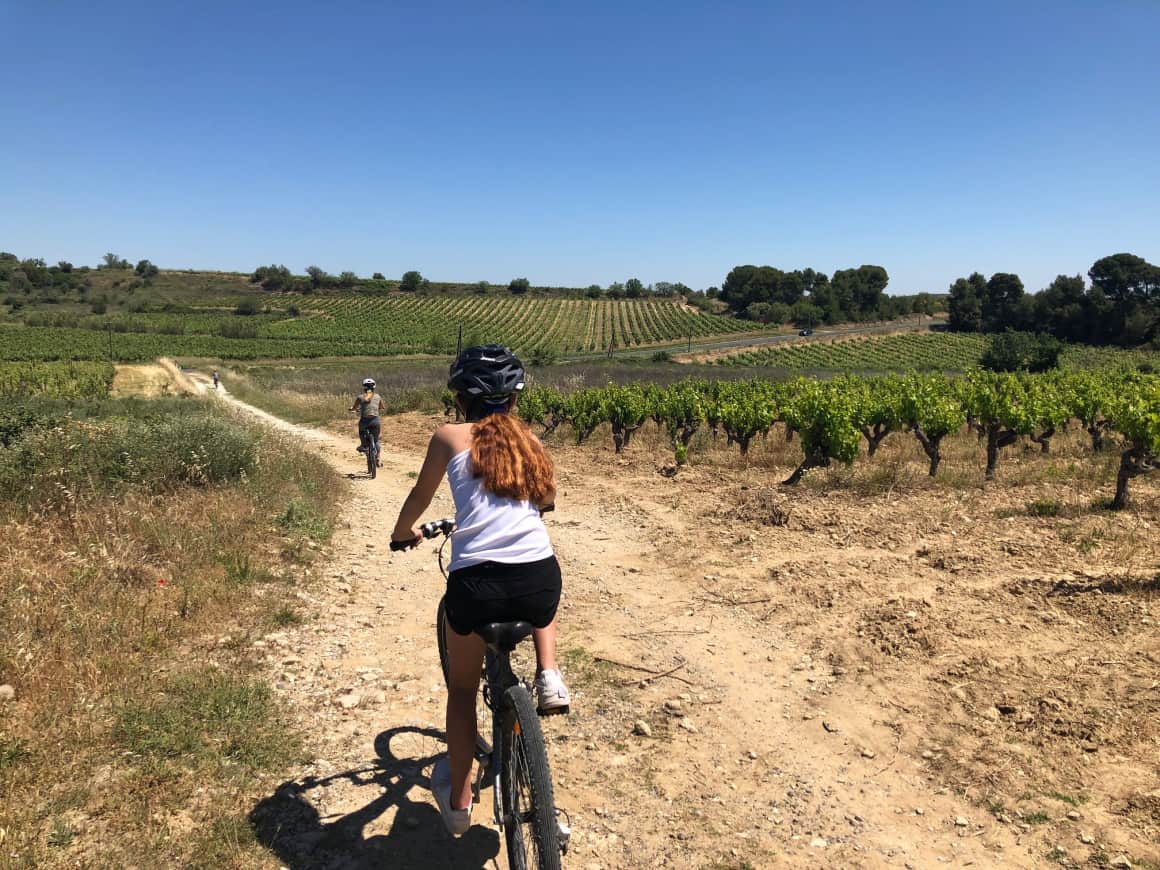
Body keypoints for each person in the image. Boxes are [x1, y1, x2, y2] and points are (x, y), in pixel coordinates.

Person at [391, 345, 570, 836]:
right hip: (537, 580)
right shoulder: (530, 440)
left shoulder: (449, 437)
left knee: (464, 690)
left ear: (461, 399)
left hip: (477, 589)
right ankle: (548, 672)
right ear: (513, 399)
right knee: (539, 573)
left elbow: (419, 496)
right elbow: (548, 498)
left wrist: (403, 532)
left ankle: (460, 800)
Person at [350, 378, 384, 464]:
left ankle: (363, 445)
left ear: (364, 387)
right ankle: (378, 458)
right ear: (374, 387)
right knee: (376, 440)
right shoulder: (378, 396)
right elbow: (381, 407)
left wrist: (353, 409)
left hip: (365, 421)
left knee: (361, 431)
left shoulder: (360, 397)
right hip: (375, 421)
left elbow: (354, 408)